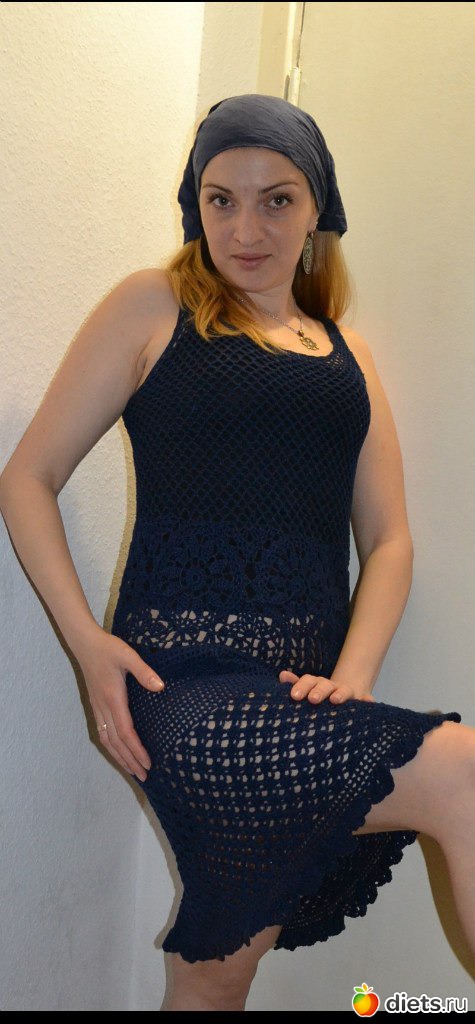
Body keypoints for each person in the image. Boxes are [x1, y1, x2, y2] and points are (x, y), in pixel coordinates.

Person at [0, 93, 473, 1014]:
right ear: (195, 204)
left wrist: (354, 675)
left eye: (276, 200)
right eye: (220, 200)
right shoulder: (155, 305)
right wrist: (87, 646)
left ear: (317, 208)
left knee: (216, 973)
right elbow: (28, 477)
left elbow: (387, 539)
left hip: (301, 689)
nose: (245, 229)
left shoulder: (347, 355)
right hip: (180, 681)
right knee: (458, 770)